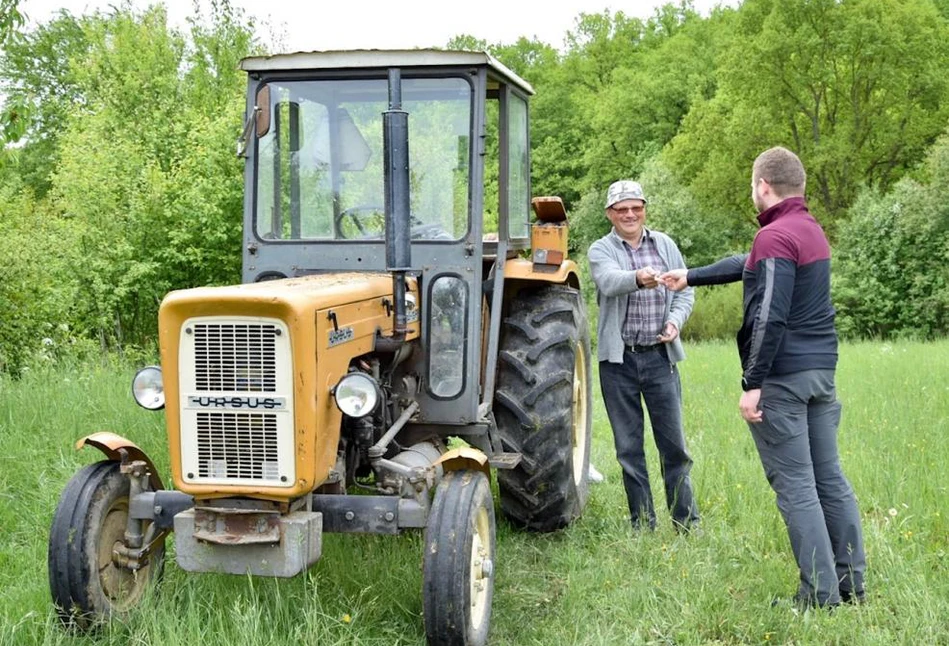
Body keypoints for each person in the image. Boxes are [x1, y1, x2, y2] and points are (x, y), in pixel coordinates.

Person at [660, 147, 866, 608]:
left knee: (797, 487)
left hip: (784, 380)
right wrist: (689, 276)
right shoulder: (808, 230)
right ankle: (851, 584)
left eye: (753, 185)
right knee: (829, 479)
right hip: (820, 373)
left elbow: (770, 314)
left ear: (762, 186)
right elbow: (746, 261)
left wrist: (753, 383)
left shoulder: (774, 238)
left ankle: (819, 596)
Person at [588, 180, 699, 532]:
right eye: (622, 210)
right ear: (610, 214)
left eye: (636, 207)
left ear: (644, 209)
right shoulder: (600, 249)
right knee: (629, 449)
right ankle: (643, 524)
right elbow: (609, 281)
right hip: (618, 363)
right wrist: (639, 277)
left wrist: (674, 321)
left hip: (659, 358)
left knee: (674, 447)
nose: (630, 215)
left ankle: (686, 523)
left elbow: (685, 292)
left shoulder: (664, 244)